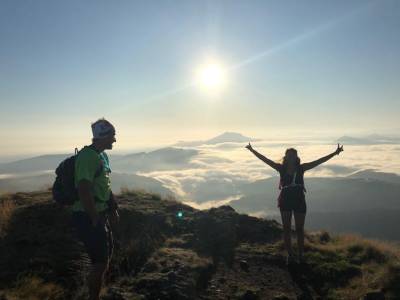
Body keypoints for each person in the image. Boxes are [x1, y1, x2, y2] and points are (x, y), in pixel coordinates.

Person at [245, 143, 343, 264]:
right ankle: (290, 255)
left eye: (293, 155)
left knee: (299, 229)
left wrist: (335, 153)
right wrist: (252, 150)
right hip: (287, 200)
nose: (291, 158)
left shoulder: (301, 168)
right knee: (286, 229)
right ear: (286, 157)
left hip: (297, 200)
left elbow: (318, 161)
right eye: (289, 155)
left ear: (296, 157)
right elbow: (265, 160)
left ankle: (301, 255)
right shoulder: (282, 168)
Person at [72, 118, 119, 300]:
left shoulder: (102, 156)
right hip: (86, 216)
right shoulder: (87, 157)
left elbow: (104, 187)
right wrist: (94, 218)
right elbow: (83, 190)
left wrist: (112, 208)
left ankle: (95, 291)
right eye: (112, 136)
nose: (114, 140)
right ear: (102, 136)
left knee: (104, 258)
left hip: (100, 213)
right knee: (99, 263)